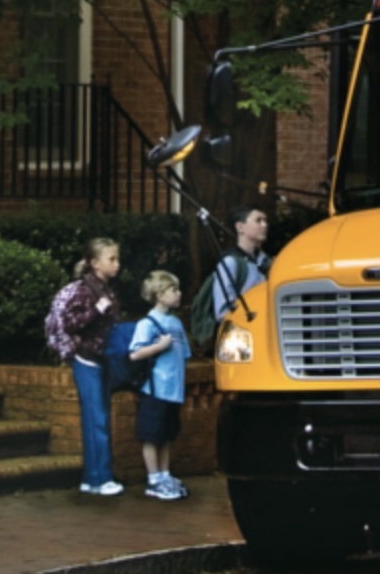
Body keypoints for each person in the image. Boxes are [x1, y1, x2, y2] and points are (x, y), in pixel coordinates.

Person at [43, 237, 124, 496]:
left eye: (116, 258)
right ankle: (98, 478)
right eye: (111, 259)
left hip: (102, 359)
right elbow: (70, 323)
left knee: (99, 418)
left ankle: (96, 476)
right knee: (95, 419)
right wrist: (97, 311)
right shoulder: (84, 290)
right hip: (87, 360)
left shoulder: (106, 288)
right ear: (94, 263)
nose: (117, 264)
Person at [125, 270, 191, 501]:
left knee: (166, 434)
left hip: (173, 391)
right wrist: (159, 347)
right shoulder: (147, 323)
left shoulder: (175, 322)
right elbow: (135, 354)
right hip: (155, 390)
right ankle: (153, 479)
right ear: (160, 295)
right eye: (174, 290)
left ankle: (165, 474)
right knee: (151, 435)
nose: (179, 293)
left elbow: (185, 355)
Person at [203, 205, 273, 327]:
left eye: (265, 221)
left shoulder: (266, 260)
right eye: (258, 220)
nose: (264, 225)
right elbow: (223, 312)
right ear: (240, 227)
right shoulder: (230, 263)